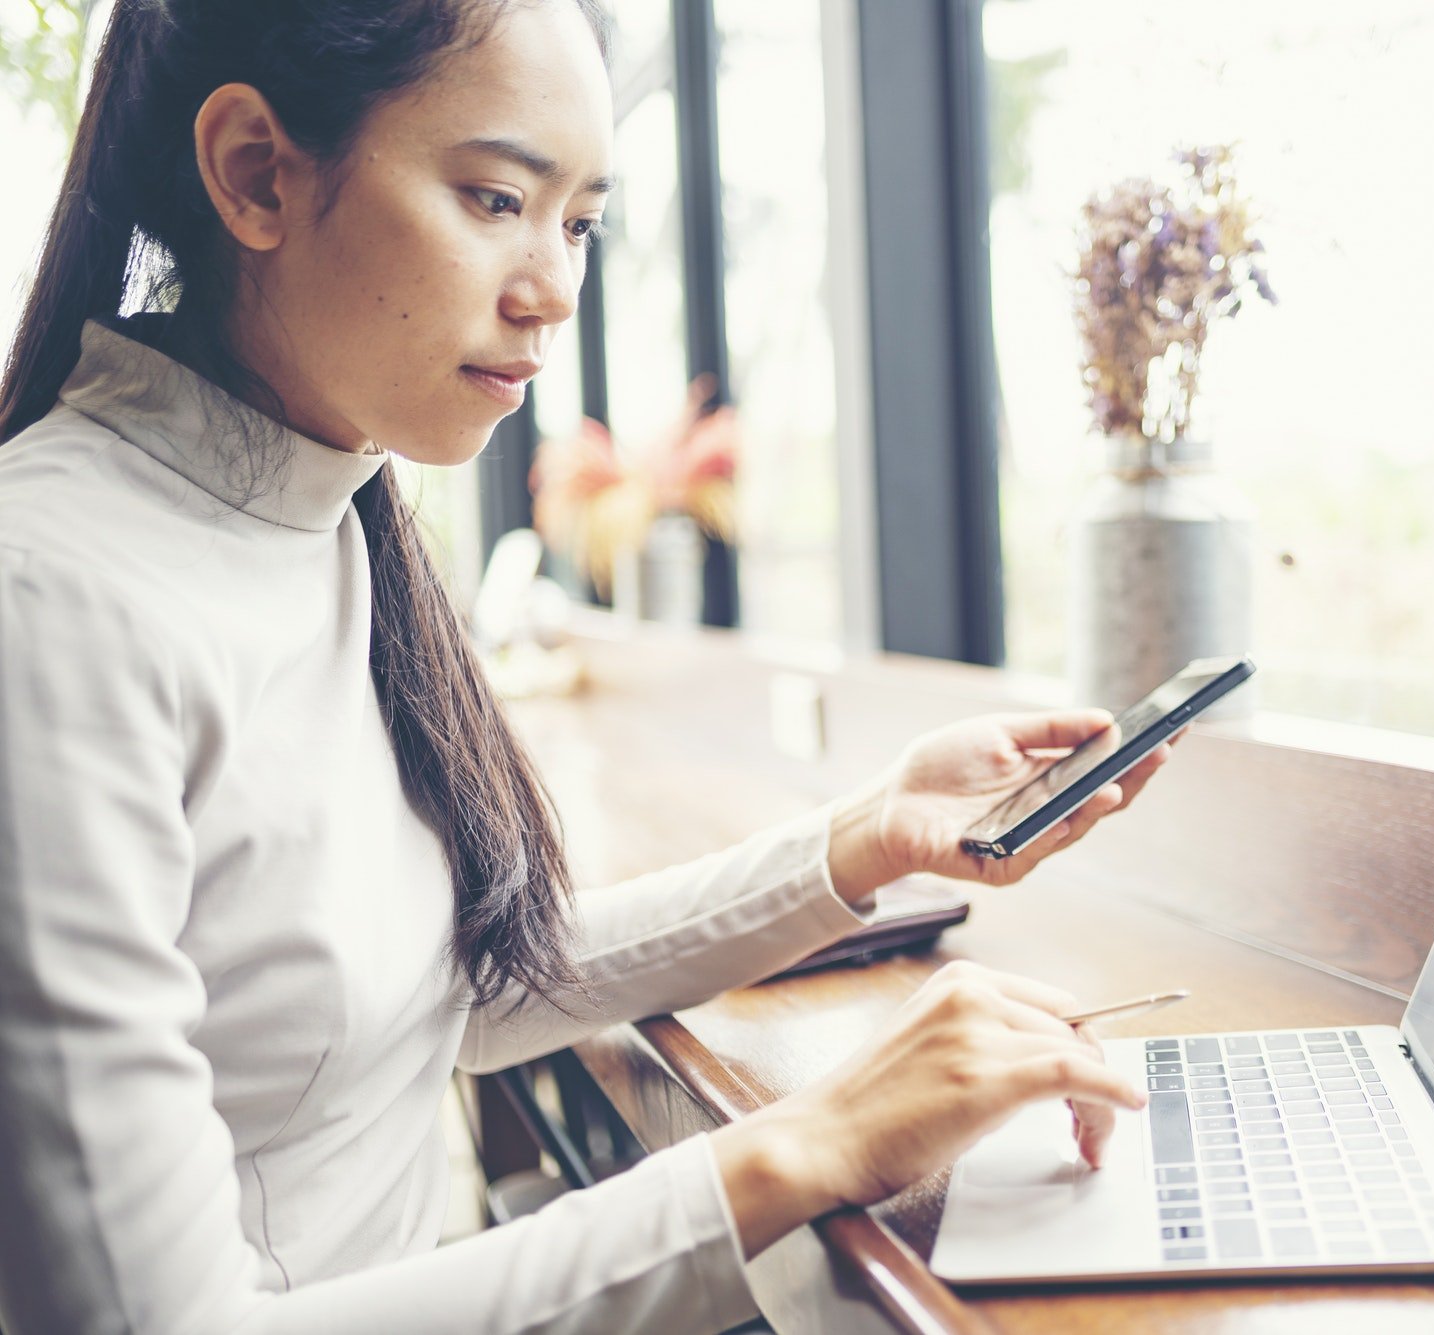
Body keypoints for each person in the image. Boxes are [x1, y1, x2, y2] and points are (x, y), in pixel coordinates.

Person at [0, 3, 1166, 1331]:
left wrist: (860, 843)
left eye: (578, 221)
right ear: (257, 172)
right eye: (497, 196)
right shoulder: (52, 599)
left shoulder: (321, 519)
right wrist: (805, 1143)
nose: (553, 288)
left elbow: (444, 995)